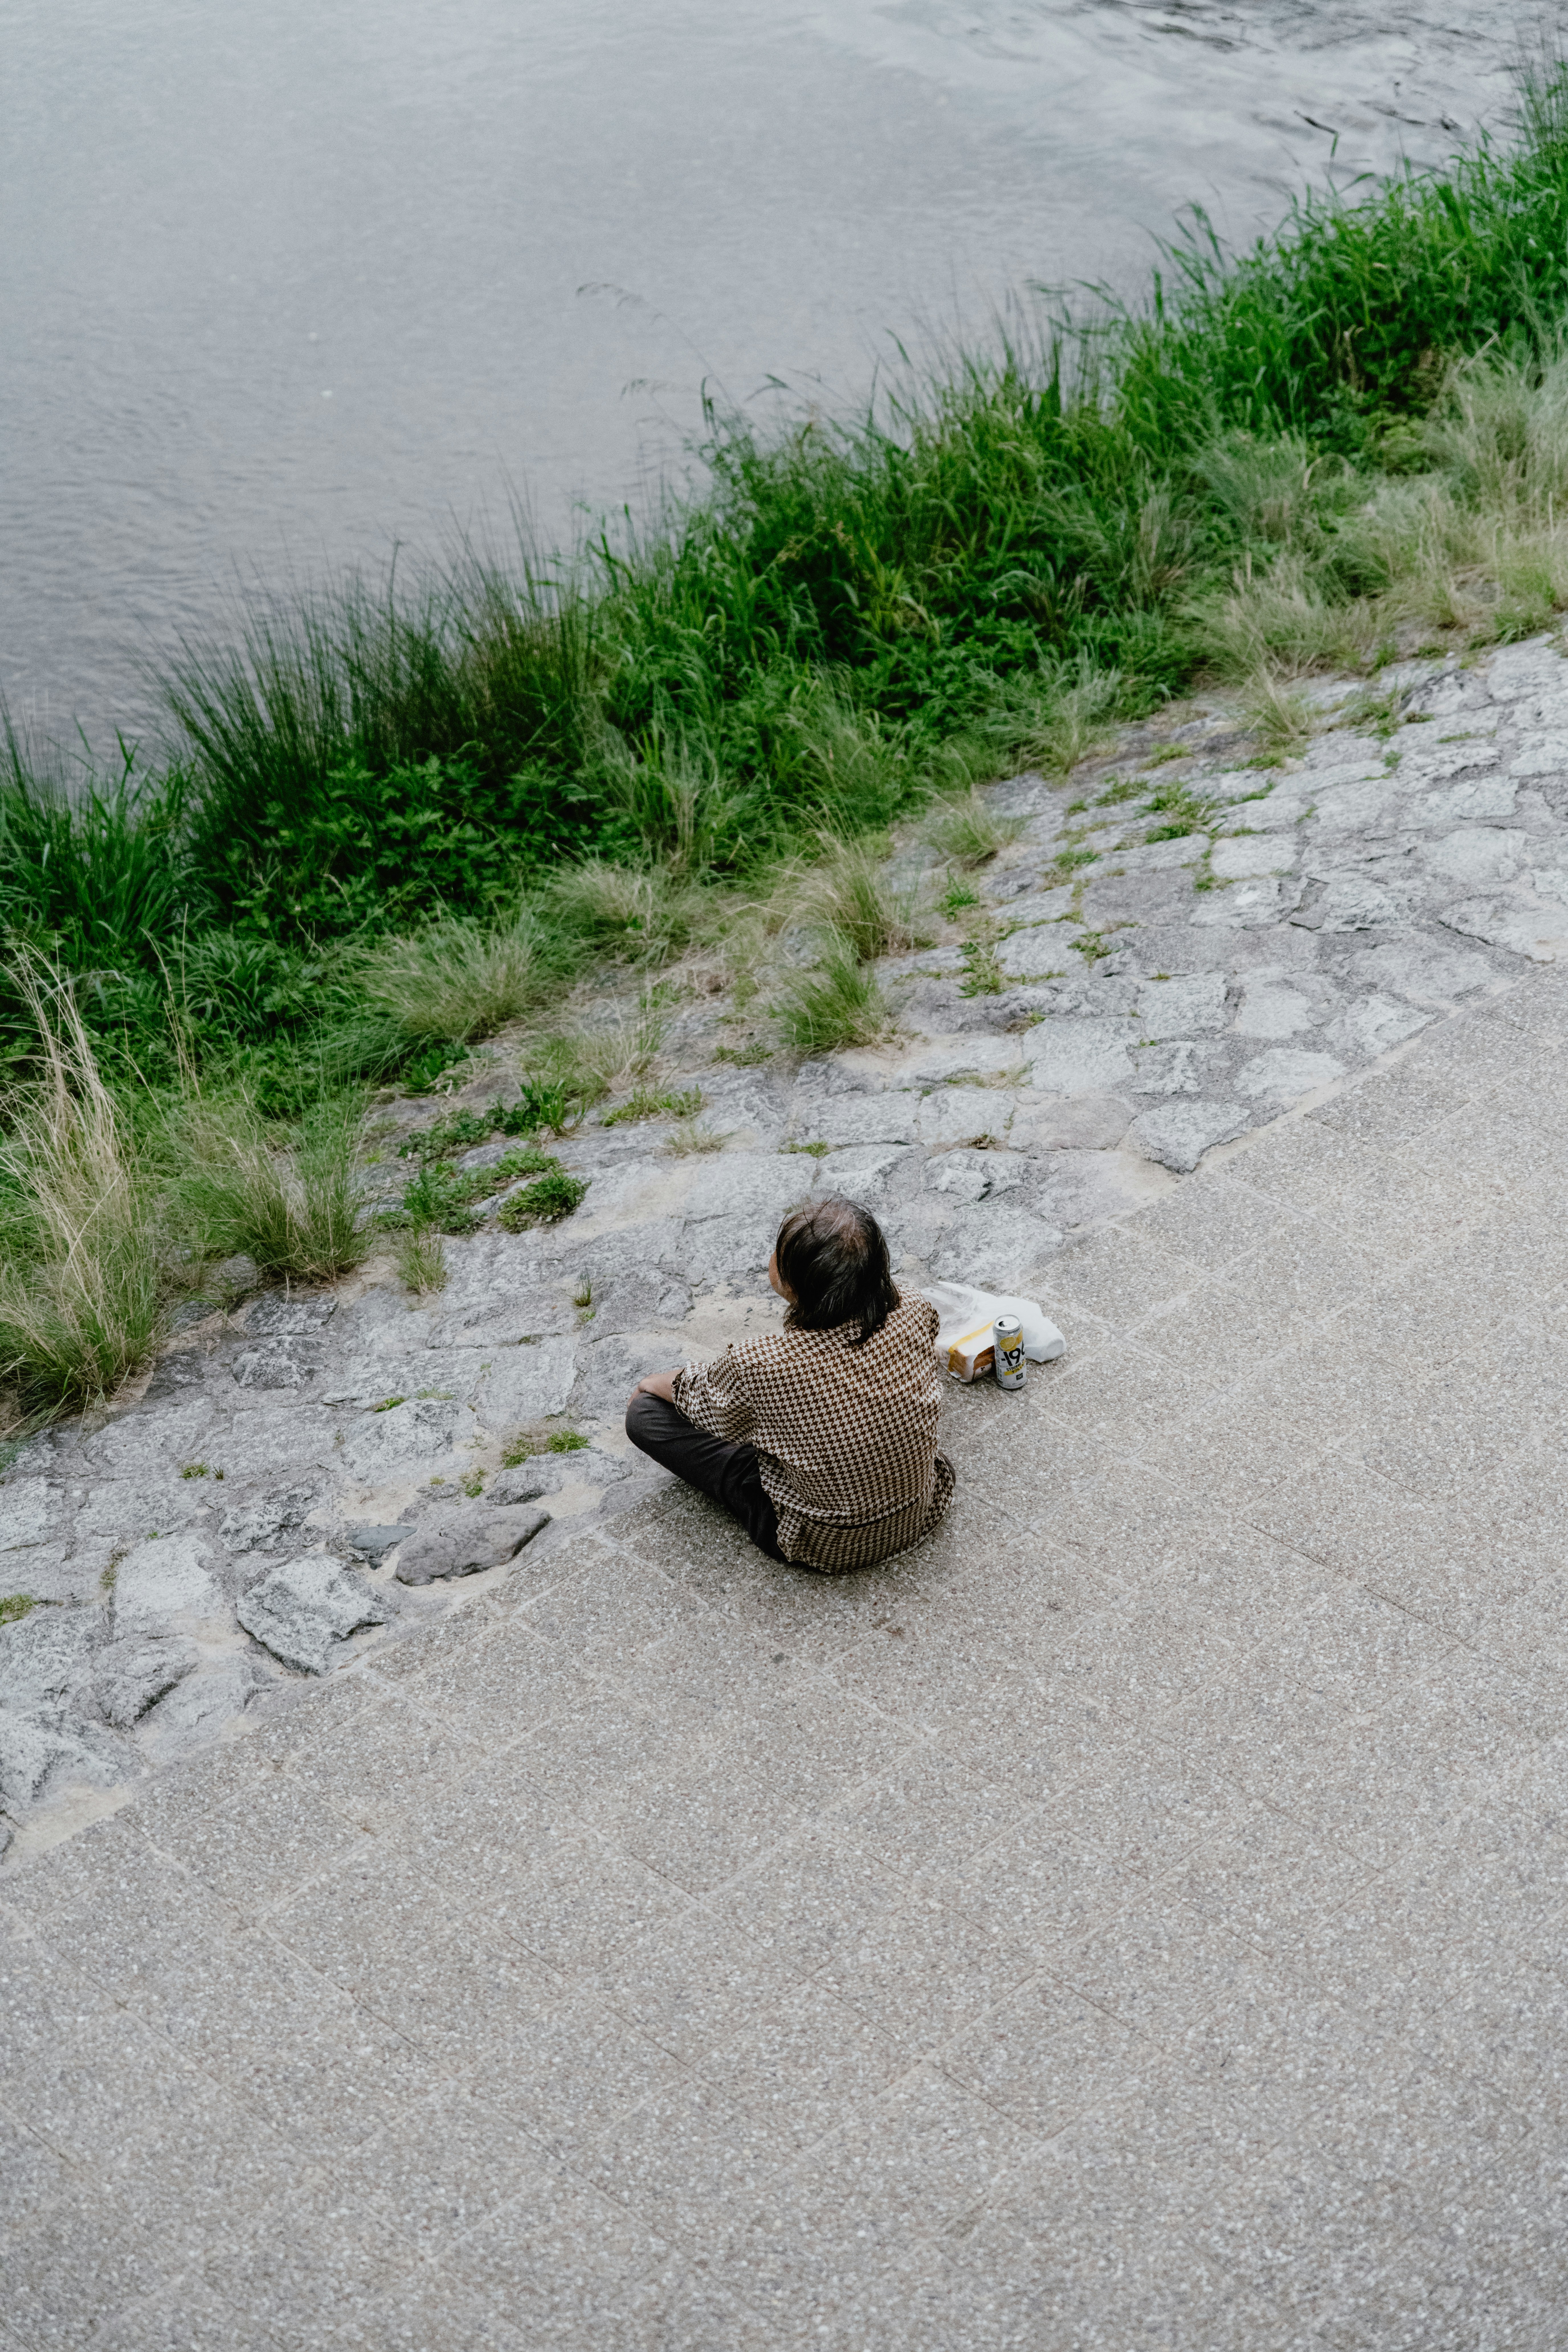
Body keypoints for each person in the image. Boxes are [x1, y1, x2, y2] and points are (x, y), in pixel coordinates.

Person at [625, 1194, 954, 1573]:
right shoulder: (914, 1305)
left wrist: (652, 1383)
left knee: (645, 1416)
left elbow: (697, 1399)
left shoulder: (761, 1363)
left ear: (794, 1286)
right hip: (919, 1511)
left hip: (825, 1542)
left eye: (778, 1254)